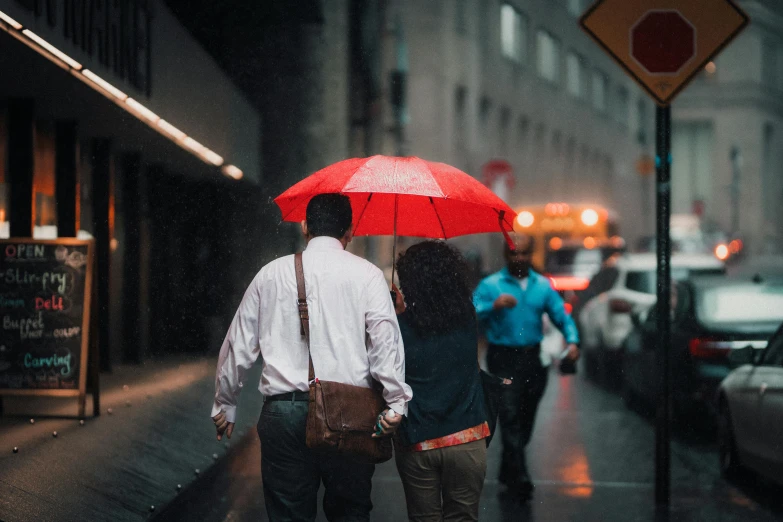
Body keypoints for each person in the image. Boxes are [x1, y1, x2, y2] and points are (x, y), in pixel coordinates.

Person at [210, 193, 413, 522]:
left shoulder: (271, 274)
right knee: (350, 512)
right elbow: (384, 344)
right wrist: (396, 402)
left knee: (289, 514)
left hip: (284, 413)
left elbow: (239, 343)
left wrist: (225, 402)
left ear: (305, 226)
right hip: (351, 415)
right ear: (350, 231)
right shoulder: (370, 276)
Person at [473, 234, 580, 500]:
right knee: (509, 414)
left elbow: (561, 316)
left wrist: (573, 341)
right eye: (513, 253)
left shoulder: (542, 286)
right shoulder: (491, 285)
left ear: (532, 255)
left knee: (526, 418)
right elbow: (469, 311)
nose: (519, 258)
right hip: (502, 358)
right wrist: (492, 305)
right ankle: (520, 476)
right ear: (506, 255)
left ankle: (509, 467)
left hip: (532, 360)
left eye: (524, 253)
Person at [392, 240, 488, 522]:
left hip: (417, 442)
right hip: (466, 439)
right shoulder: (468, 318)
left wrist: (394, 314)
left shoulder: (396, 328)